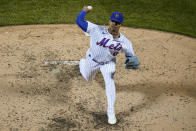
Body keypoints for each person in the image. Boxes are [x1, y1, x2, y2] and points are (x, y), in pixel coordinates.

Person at [76, 6, 140, 125]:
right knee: (87, 77)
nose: (114, 24)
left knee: (110, 80)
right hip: (92, 60)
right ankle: (82, 63)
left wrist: (131, 61)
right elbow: (79, 21)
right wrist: (84, 10)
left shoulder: (125, 42)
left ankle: (111, 112)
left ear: (120, 25)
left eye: (117, 23)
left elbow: (131, 56)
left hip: (108, 63)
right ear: (109, 21)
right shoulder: (96, 29)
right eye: (113, 21)